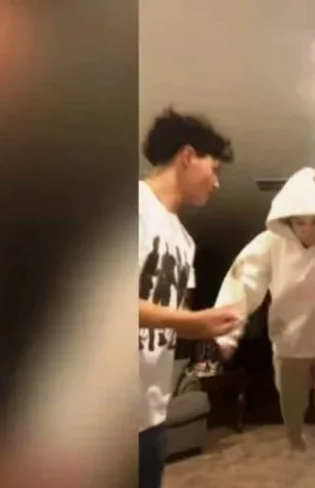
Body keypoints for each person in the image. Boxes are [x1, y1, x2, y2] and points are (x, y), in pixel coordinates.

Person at [213, 162, 315, 475]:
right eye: (300, 223)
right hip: (290, 339)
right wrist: (227, 332)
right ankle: (294, 433)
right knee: (291, 398)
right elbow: (244, 280)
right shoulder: (271, 243)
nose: (308, 230)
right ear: (287, 221)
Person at [138, 108, 242, 488]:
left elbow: (170, 320)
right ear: (187, 156)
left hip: (150, 417)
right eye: (214, 169)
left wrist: (212, 330)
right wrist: (193, 321)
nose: (216, 183)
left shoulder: (184, 242)